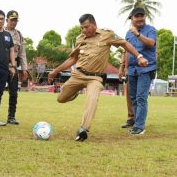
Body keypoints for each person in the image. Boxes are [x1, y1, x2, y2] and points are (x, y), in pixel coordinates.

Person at [48, 13, 148, 141]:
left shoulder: (107, 35)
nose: (84, 30)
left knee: (92, 100)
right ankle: (74, 93)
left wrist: (139, 57)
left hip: (95, 78)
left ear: (94, 25)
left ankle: (83, 129)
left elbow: (125, 44)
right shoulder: (80, 38)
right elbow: (73, 59)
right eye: (82, 28)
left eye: (86, 27)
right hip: (78, 75)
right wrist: (55, 71)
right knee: (61, 99)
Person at [126, 7, 157, 135]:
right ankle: (136, 123)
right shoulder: (128, 33)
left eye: (141, 16)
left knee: (141, 98)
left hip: (146, 68)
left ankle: (139, 126)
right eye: (136, 16)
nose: (139, 18)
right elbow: (127, 50)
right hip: (132, 69)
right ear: (131, 19)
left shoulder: (150, 29)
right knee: (133, 97)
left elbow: (151, 43)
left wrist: (138, 34)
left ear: (145, 17)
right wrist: (124, 67)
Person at [5, 10, 28, 125]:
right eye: (11, 20)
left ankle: (11, 117)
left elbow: (22, 53)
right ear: (6, 20)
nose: (13, 22)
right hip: (2, 66)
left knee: (14, 93)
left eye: (15, 20)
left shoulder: (19, 35)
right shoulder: (0, 31)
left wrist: (24, 69)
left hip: (14, 67)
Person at [119, 50, 134, 128]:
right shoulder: (128, 38)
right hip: (129, 70)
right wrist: (122, 67)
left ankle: (139, 121)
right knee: (129, 94)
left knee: (140, 97)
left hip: (143, 69)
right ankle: (131, 118)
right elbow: (125, 52)